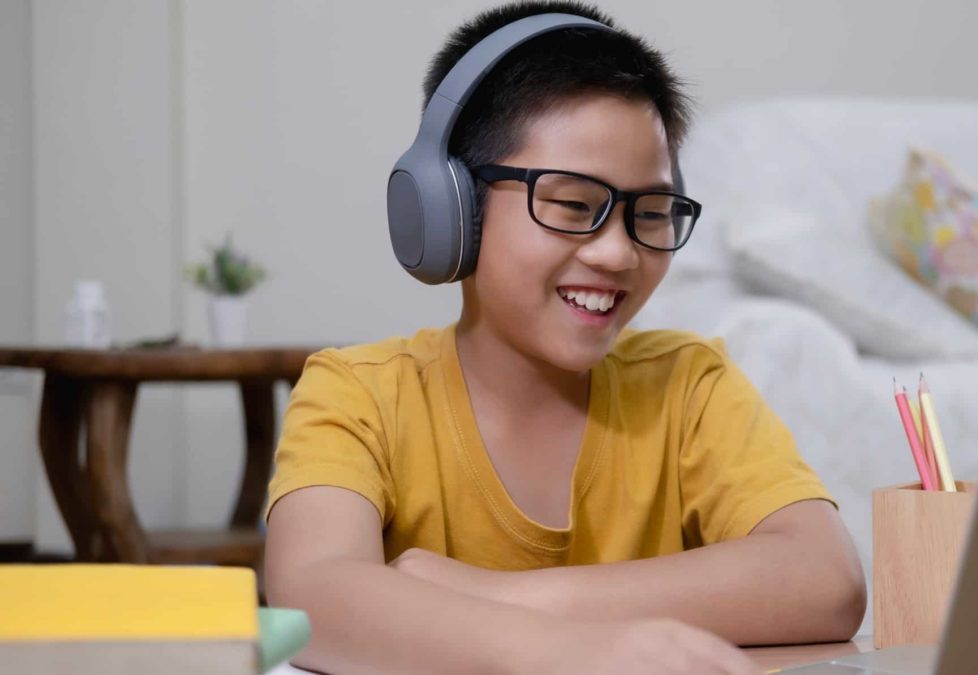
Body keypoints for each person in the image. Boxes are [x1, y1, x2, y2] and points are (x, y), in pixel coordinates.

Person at [264, 2, 866, 673]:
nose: (616, 253)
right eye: (573, 204)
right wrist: (573, 649)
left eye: (651, 211)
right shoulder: (359, 396)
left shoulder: (689, 384)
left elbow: (825, 576)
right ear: (451, 208)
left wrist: (501, 596)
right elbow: (311, 594)